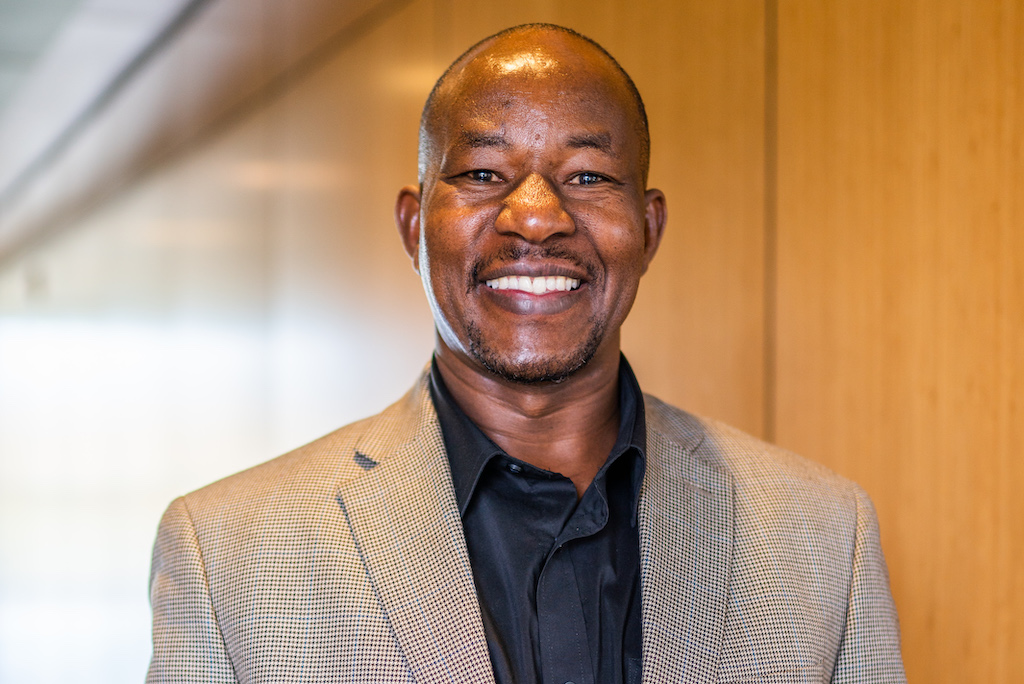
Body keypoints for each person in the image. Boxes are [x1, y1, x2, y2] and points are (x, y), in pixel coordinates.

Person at [147, 24, 905, 684]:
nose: (537, 217)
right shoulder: (229, 556)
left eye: (588, 176)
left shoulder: (823, 535)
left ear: (648, 230)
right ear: (414, 227)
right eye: (483, 174)